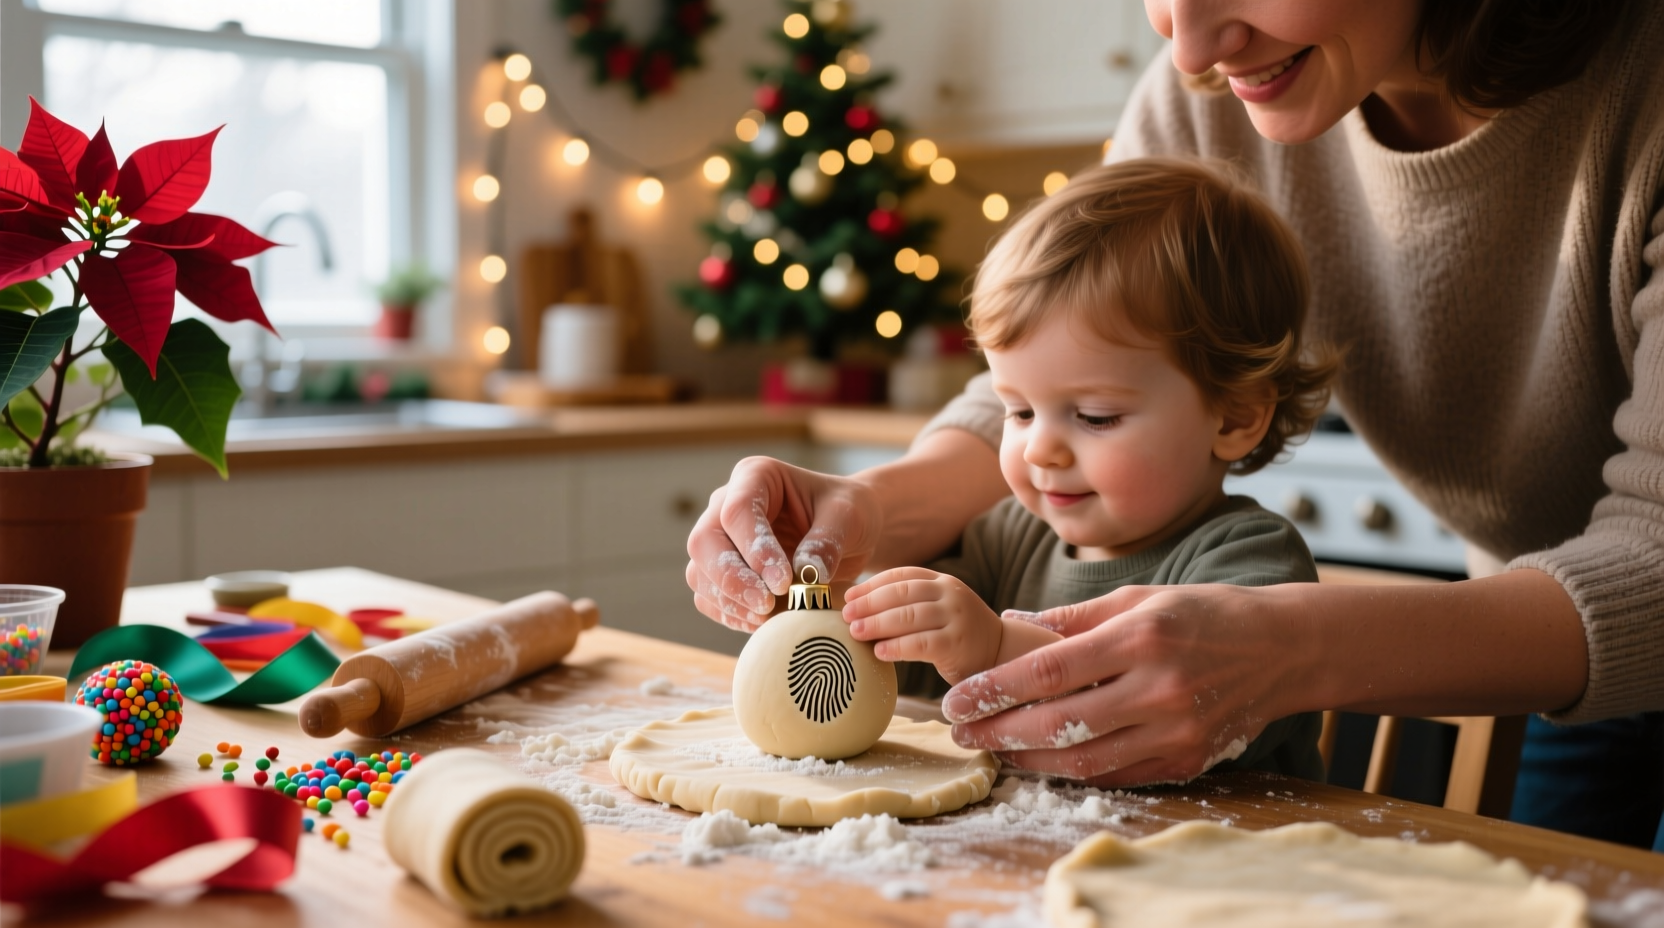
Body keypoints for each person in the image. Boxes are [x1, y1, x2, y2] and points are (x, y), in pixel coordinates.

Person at [685, 0, 1664, 844]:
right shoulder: (1225, 77)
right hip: (1532, 635)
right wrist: (867, 512)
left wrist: (1280, 648)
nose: (1189, 50)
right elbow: (1052, 362)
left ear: (1237, 420)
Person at [841, 158, 1334, 780]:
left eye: (1096, 417)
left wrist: (993, 648)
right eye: (1017, 411)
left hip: (1220, 866)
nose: (1039, 449)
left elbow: (1162, 702)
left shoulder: (1249, 564)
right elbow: (914, 686)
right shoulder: (1007, 537)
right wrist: (850, 619)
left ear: (1234, 417)